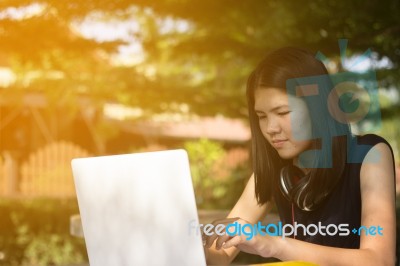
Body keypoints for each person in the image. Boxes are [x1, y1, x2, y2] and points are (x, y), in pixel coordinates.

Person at [203, 47, 396, 265]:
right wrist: (193, 247)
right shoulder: (273, 169)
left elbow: (380, 260)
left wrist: (274, 244)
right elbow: (219, 256)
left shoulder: (369, 154)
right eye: (261, 116)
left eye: (283, 113)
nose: (270, 128)